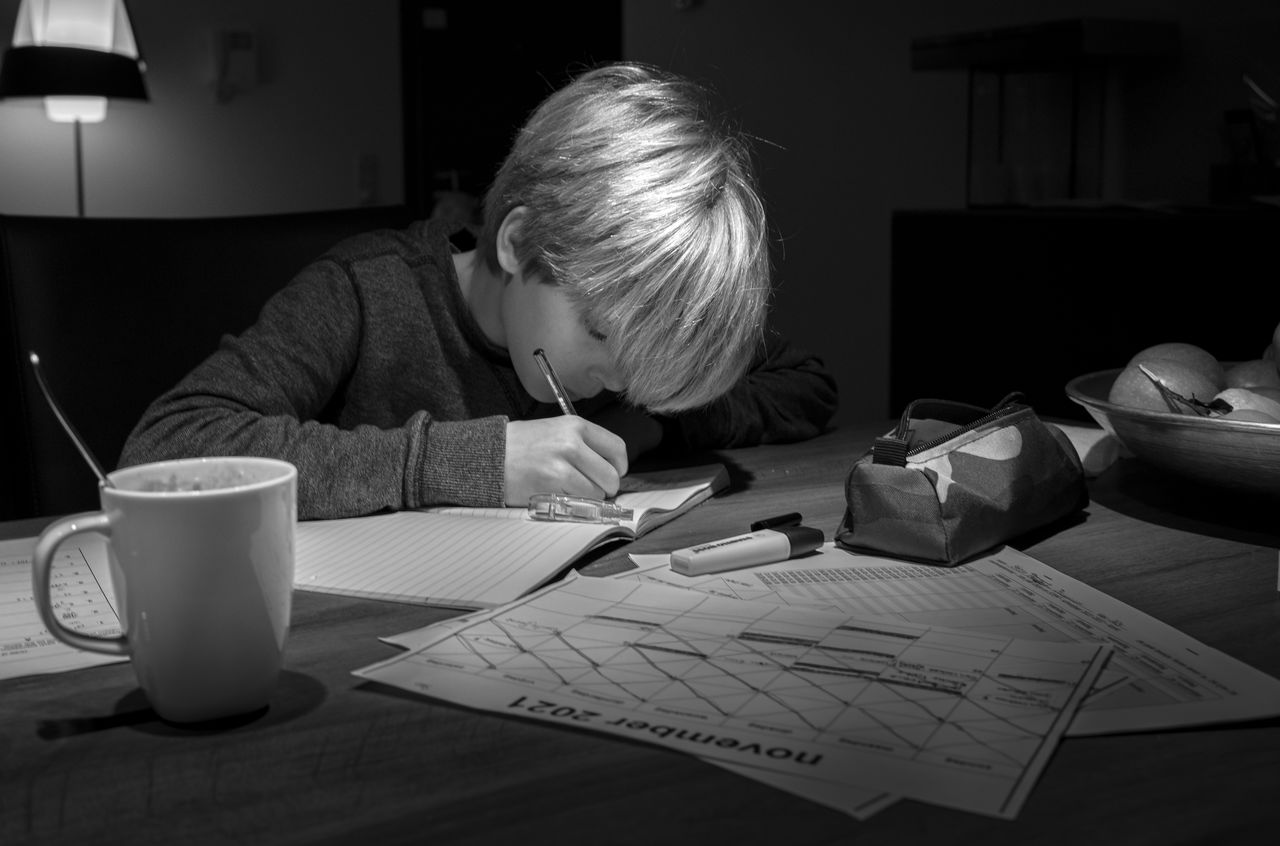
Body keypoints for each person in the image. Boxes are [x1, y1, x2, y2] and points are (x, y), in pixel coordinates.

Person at [118, 62, 837, 520]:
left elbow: (805, 382)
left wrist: (651, 425)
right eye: (598, 335)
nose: (619, 381)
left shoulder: (624, 342)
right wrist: (476, 463)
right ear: (520, 243)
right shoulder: (367, 292)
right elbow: (165, 449)